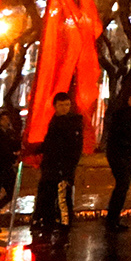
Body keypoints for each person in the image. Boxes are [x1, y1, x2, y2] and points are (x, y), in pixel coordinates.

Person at [29, 92, 86, 241]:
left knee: (63, 199)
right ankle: (47, 225)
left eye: (67, 104)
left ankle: (64, 228)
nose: (64, 108)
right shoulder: (54, 121)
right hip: (50, 166)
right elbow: (51, 144)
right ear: (55, 106)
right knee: (47, 196)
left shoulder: (73, 123)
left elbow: (75, 149)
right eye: (61, 105)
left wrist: (67, 168)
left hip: (63, 168)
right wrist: (34, 149)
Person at [101, 87, 131, 233]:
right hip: (117, 152)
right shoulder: (119, 114)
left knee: (124, 186)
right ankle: (112, 218)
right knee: (122, 185)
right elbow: (117, 134)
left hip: (130, 154)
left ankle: (114, 217)